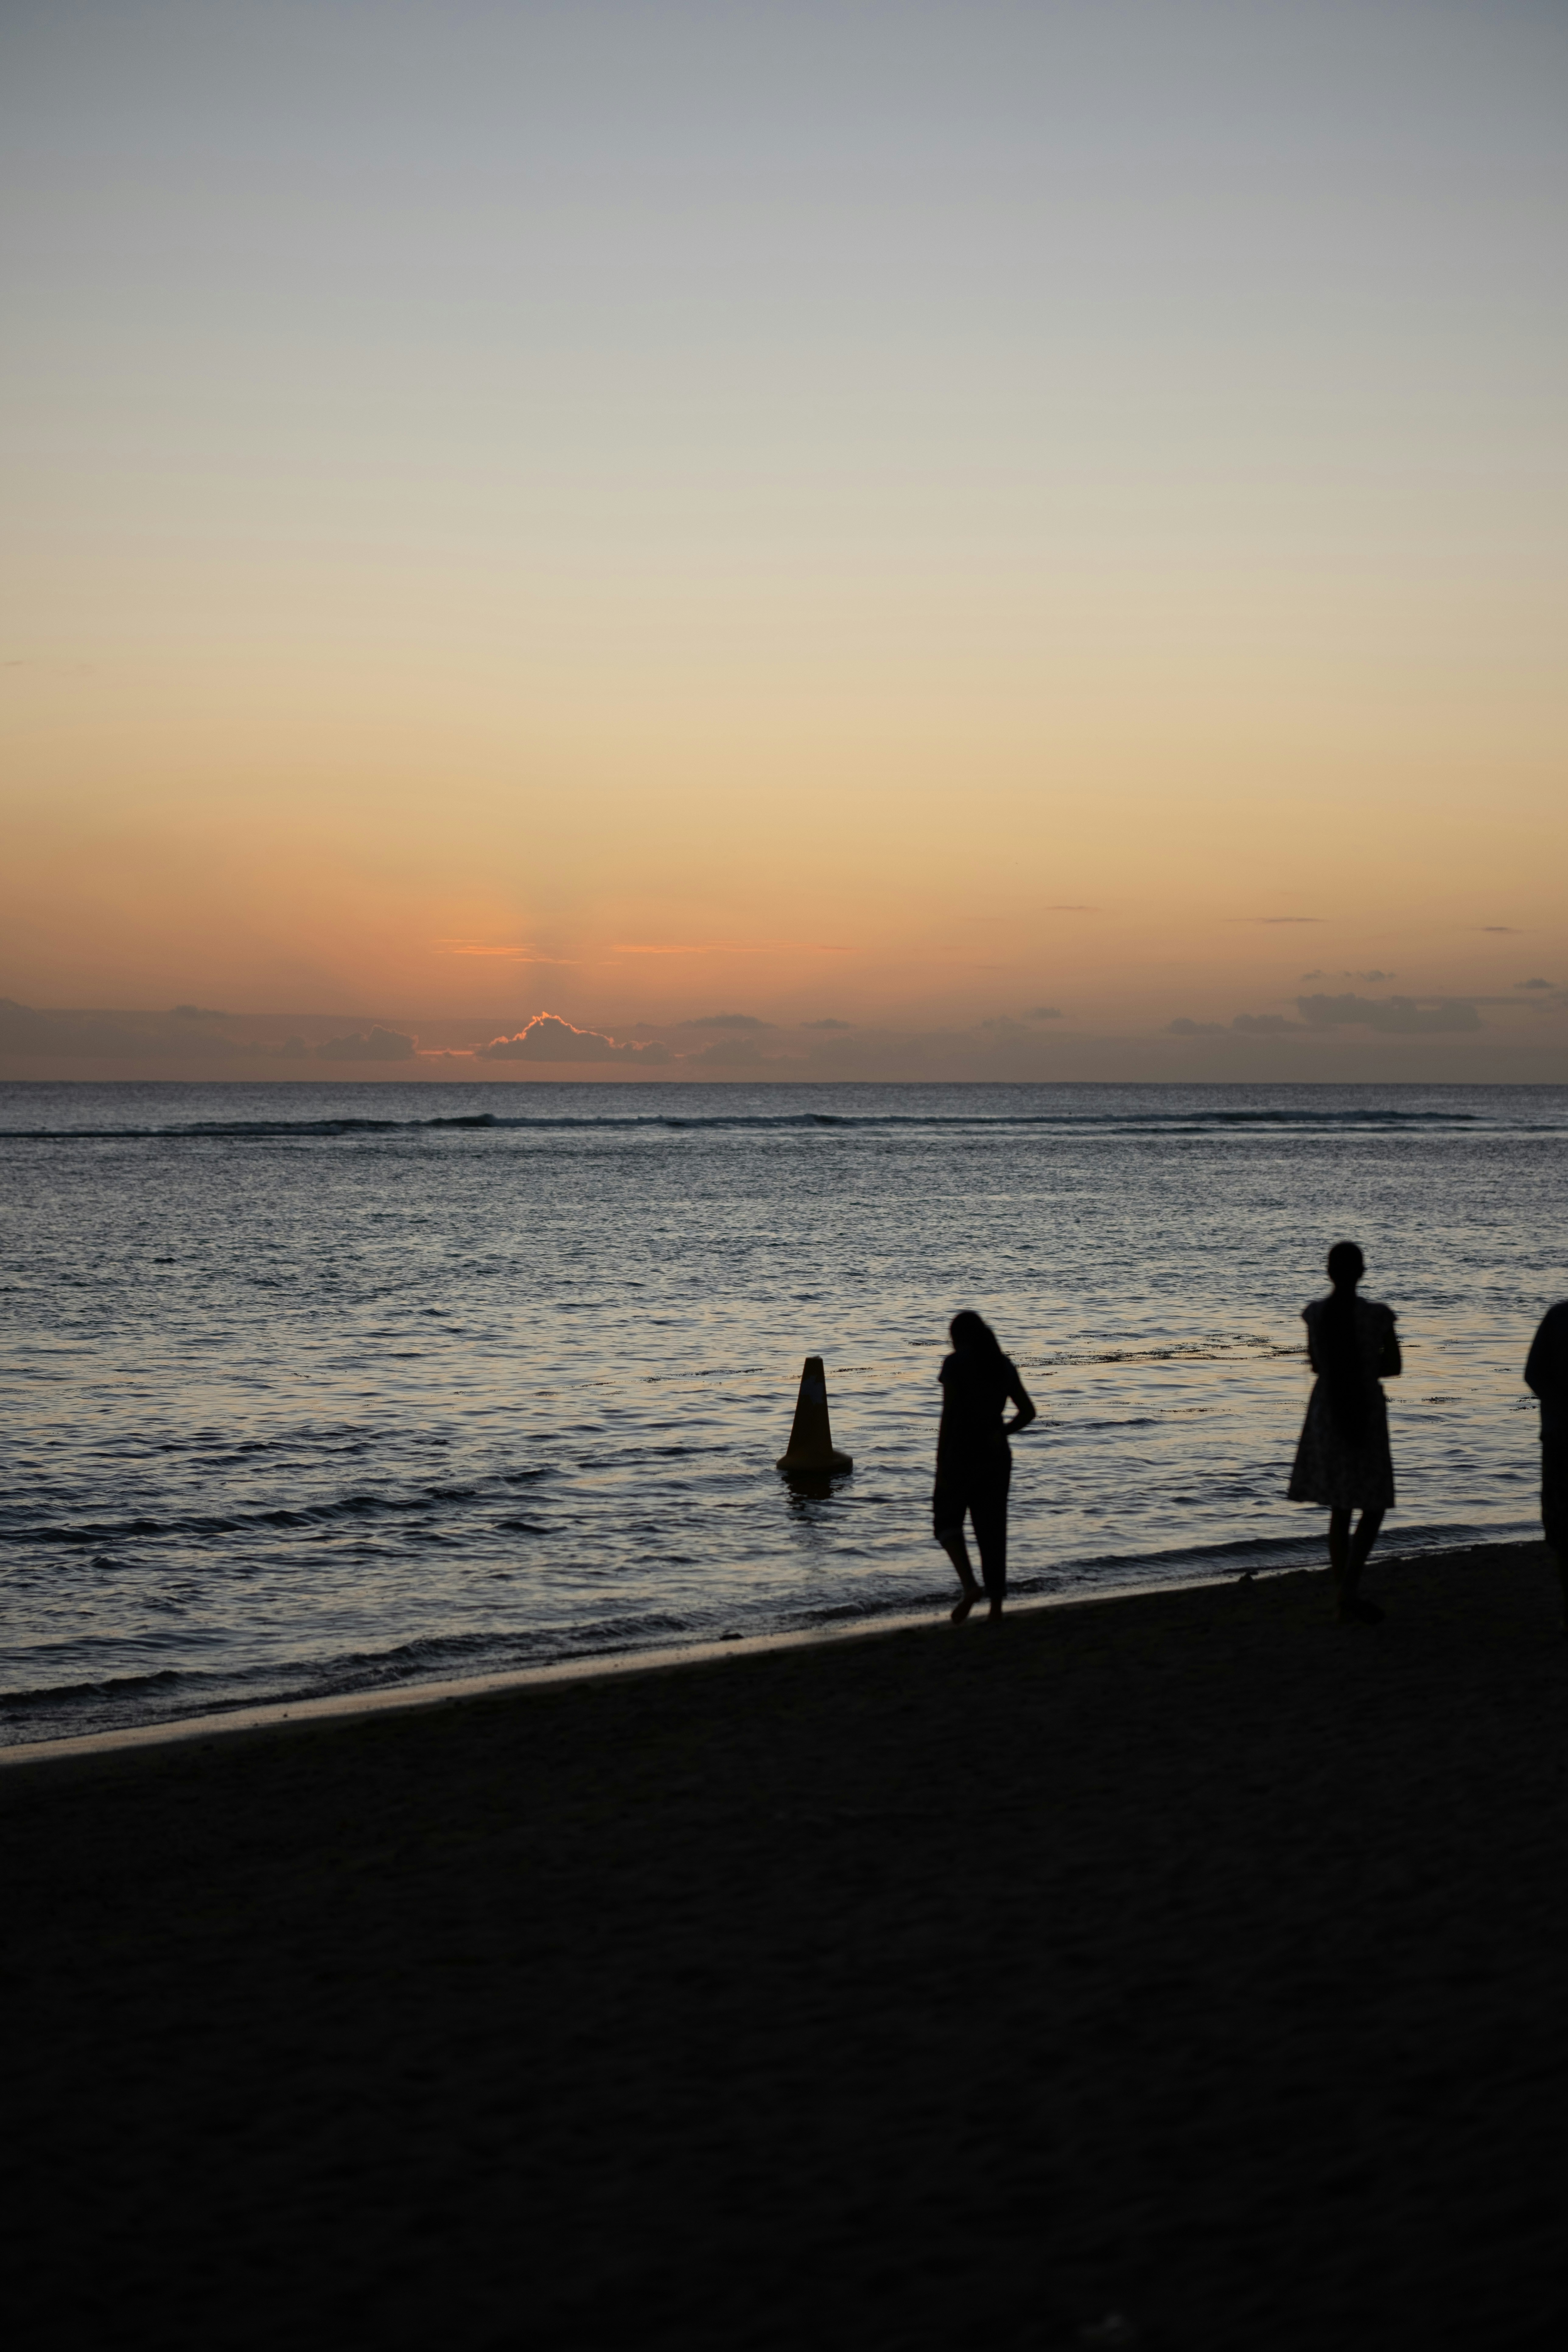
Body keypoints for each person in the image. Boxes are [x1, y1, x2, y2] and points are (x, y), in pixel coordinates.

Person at [1287, 1242, 1402, 1624]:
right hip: (1365, 1406)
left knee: (1340, 1505)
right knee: (1372, 1502)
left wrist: (1342, 1371)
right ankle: (1348, 1591)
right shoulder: (1377, 1316)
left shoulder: (1316, 1314)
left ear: (1329, 1272)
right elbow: (1394, 1366)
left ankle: (1344, 1594)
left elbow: (1318, 1364)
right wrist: (1364, 1370)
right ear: (1362, 1272)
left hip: (1327, 1407)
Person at [934, 1311, 1036, 1623]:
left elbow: (949, 1414)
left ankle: (969, 1587)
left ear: (958, 1337)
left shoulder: (955, 1364)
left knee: (946, 1521)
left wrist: (941, 1459)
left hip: (961, 1453)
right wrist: (1001, 1432)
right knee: (992, 1531)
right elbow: (1027, 1412)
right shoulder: (1002, 1364)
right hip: (996, 1456)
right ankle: (996, 1609)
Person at [1524, 1297, 1568, 1631]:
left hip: (1559, 1435)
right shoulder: (1557, 1316)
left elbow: (1533, 1374)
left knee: (1562, 1529)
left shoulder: (1558, 1316)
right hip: (1559, 1435)